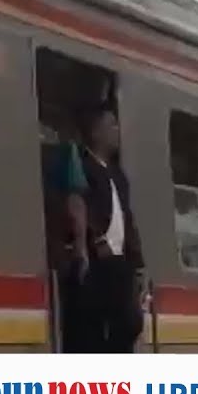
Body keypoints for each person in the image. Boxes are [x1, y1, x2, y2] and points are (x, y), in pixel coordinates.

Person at [58, 103, 145, 353]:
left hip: (120, 261)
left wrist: (137, 260)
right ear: (96, 132)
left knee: (130, 323)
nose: (117, 131)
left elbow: (127, 218)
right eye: (112, 125)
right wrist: (95, 240)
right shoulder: (81, 166)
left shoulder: (118, 175)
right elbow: (77, 204)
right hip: (97, 260)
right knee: (93, 329)